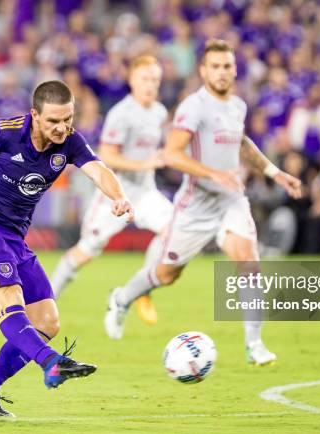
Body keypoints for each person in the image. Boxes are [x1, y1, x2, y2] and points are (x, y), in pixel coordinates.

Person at [0, 80, 134, 416]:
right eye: (53, 121)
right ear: (34, 115)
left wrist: (118, 196)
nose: (62, 127)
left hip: (15, 239)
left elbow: (99, 170)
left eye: (68, 119)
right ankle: (51, 363)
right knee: (9, 300)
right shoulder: (3, 132)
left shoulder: (71, 142)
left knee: (47, 322)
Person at [104, 39, 302, 366]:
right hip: (195, 205)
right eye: (215, 67)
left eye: (227, 66)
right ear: (203, 71)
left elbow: (240, 141)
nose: (222, 72)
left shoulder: (237, 106)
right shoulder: (193, 107)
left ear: (235, 69)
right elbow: (171, 154)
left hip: (231, 201)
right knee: (167, 275)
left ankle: (254, 344)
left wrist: (274, 171)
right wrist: (214, 173)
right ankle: (122, 298)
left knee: (249, 262)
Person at [50, 56, 172, 325]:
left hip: (146, 192)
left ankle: (142, 290)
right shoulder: (121, 114)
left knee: (175, 229)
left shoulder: (160, 112)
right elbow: (107, 155)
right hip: (113, 195)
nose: (150, 85)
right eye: (145, 79)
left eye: (155, 80)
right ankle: (47, 300)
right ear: (132, 80)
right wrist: (144, 163)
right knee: (85, 252)